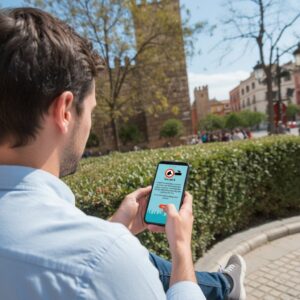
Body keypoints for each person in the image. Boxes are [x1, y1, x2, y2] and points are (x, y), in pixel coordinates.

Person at [0, 7, 246, 300]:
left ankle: (225, 285)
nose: (89, 124)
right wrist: (180, 247)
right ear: (65, 111)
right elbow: (92, 265)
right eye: (90, 110)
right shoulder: (105, 261)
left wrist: (117, 228)